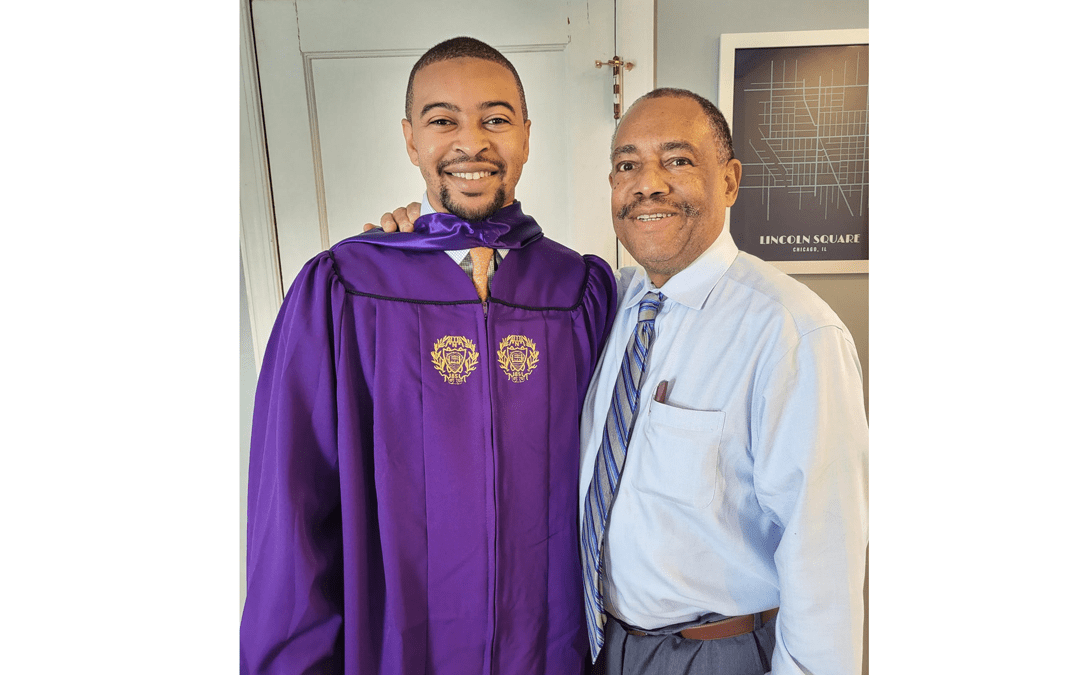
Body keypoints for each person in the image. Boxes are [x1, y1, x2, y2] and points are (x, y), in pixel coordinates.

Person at [377, 88, 868, 675]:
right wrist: (426, 242)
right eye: (627, 165)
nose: (648, 183)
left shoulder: (792, 332)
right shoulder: (608, 301)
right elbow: (500, 285)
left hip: (718, 654)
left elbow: (826, 560)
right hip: (601, 646)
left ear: (731, 181)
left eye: (678, 160)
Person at [240, 37, 617, 675]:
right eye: (443, 120)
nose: (472, 142)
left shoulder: (579, 290)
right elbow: (293, 510)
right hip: (395, 643)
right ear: (411, 139)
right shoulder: (345, 289)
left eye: (496, 119)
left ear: (526, 135)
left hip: (551, 647)